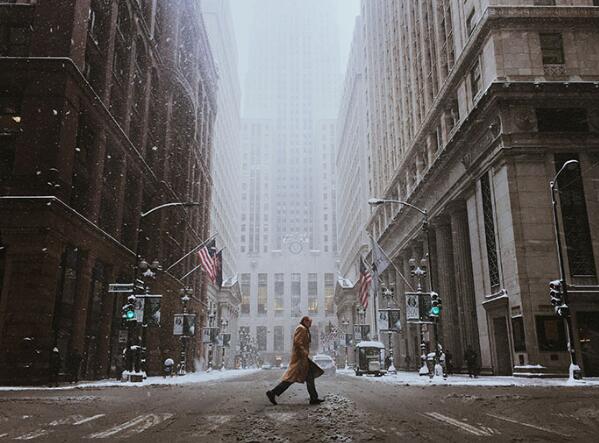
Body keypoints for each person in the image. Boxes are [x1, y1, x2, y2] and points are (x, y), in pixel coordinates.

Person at [266, 316, 325, 405]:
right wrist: (304, 352)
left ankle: (314, 398)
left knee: (309, 377)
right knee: (291, 378)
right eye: (309, 322)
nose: (311, 324)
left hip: (302, 358)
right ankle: (273, 392)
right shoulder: (301, 328)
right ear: (305, 321)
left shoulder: (304, 329)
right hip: (300, 359)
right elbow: (297, 342)